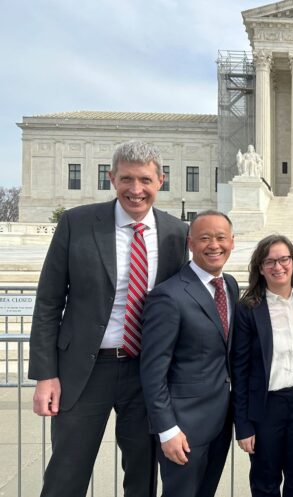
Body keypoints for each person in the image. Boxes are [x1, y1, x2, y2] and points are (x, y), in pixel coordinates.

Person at [28, 141, 189, 497]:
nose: (136, 190)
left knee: (142, 475)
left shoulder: (177, 233)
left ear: (160, 180)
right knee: (66, 474)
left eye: (145, 180)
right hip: (84, 372)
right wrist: (45, 375)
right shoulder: (77, 223)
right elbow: (49, 302)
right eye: (126, 179)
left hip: (145, 373)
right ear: (112, 178)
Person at [140, 211, 238, 497]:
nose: (214, 245)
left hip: (220, 421)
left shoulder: (229, 285)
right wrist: (167, 429)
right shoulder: (168, 296)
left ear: (233, 241)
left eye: (221, 237)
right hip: (183, 428)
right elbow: (153, 371)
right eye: (204, 238)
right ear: (190, 243)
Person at [233, 234, 293, 497]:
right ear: (260, 268)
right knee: (265, 479)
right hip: (265, 406)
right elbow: (239, 370)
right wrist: (243, 425)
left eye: (284, 259)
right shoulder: (248, 308)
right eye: (269, 261)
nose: (278, 267)